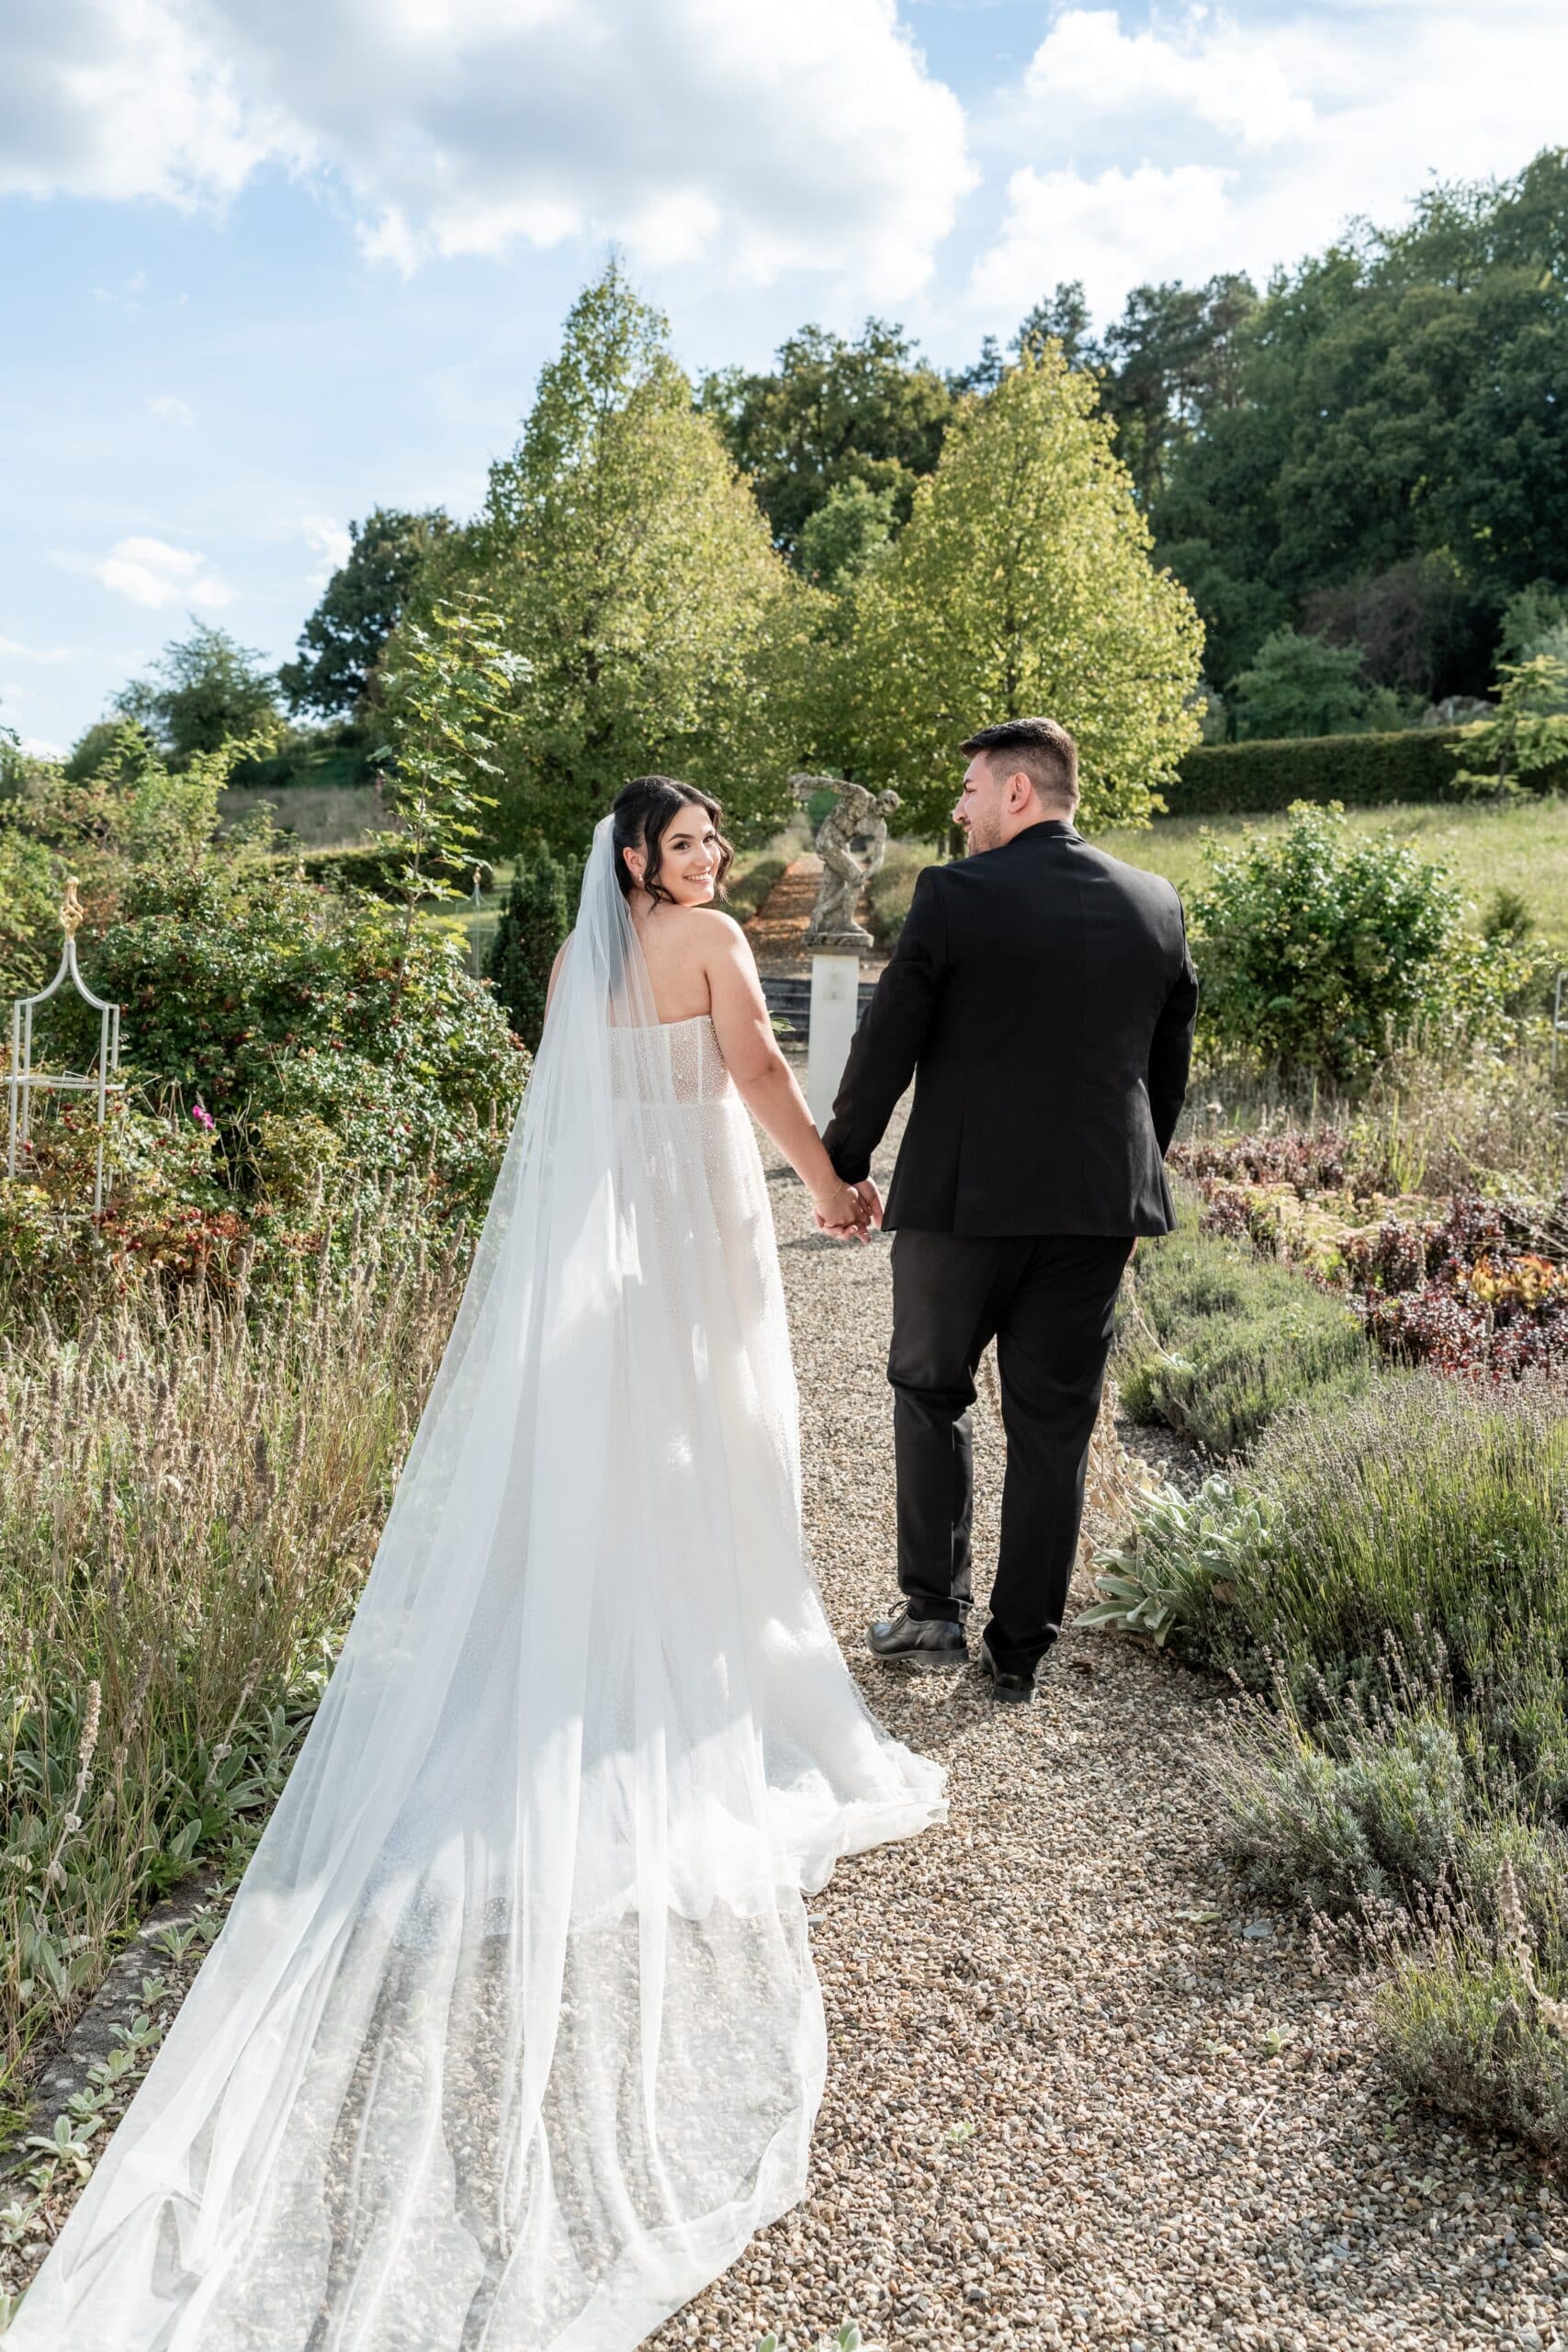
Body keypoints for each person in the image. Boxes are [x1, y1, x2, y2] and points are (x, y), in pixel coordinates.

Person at [8, 777, 946, 2352]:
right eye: (692, 840)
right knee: (713, 1440)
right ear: (643, 858)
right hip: (699, 1229)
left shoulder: (581, 964)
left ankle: (635, 1642)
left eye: (718, 838)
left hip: (618, 1242)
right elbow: (762, 1073)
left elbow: (571, 1116)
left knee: (650, 1451)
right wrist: (833, 1190)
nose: (711, 859)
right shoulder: (710, 943)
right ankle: (704, 1667)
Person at [821, 717, 1199, 1705]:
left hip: (963, 1203)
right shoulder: (1155, 903)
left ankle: (933, 1612)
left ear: (1019, 793)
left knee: (931, 1390)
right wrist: (1126, 1173)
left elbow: (886, 1040)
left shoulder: (953, 895)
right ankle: (1020, 1649)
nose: (960, 808)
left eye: (972, 789)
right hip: (1095, 1214)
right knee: (1054, 1430)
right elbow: (1166, 1068)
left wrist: (844, 1161)